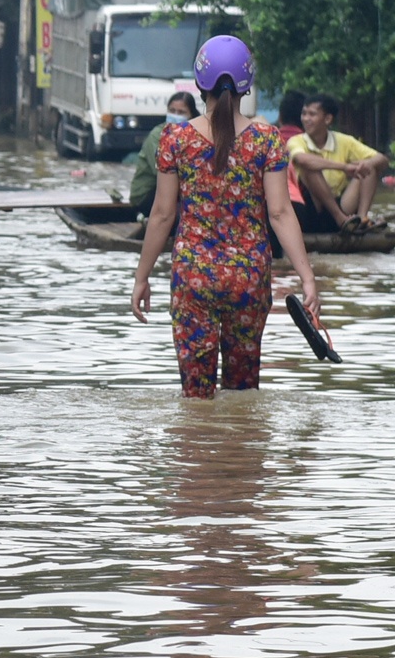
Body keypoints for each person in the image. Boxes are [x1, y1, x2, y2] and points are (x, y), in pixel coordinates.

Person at [132, 36, 320, 399]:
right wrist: (307, 278)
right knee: (243, 392)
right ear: (246, 85)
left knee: (197, 398)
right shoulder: (266, 139)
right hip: (249, 278)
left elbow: (161, 215)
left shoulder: (175, 139)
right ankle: (242, 456)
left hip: (193, 277)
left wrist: (142, 277)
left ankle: (202, 452)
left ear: (200, 84)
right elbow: (280, 213)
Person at [288, 94, 388, 233]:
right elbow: (301, 160)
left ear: (328, 119)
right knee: (309, 168)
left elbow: (381, 159)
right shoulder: (296, 141)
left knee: (369, 167)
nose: (306, 119)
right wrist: (344, 167)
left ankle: (362, 218)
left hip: (342, 206)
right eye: (304, 114)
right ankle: (340, 219)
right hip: (311, 210)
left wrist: (364, 164)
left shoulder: (344, 141)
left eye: (312, 114)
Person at [130, 92, 199, 217]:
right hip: (146, 194)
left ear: (191, 115)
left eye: (181, 112)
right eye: (172, 110)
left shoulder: (195, 135)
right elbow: (162, 172)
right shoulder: (158, 135)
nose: (175, 115)